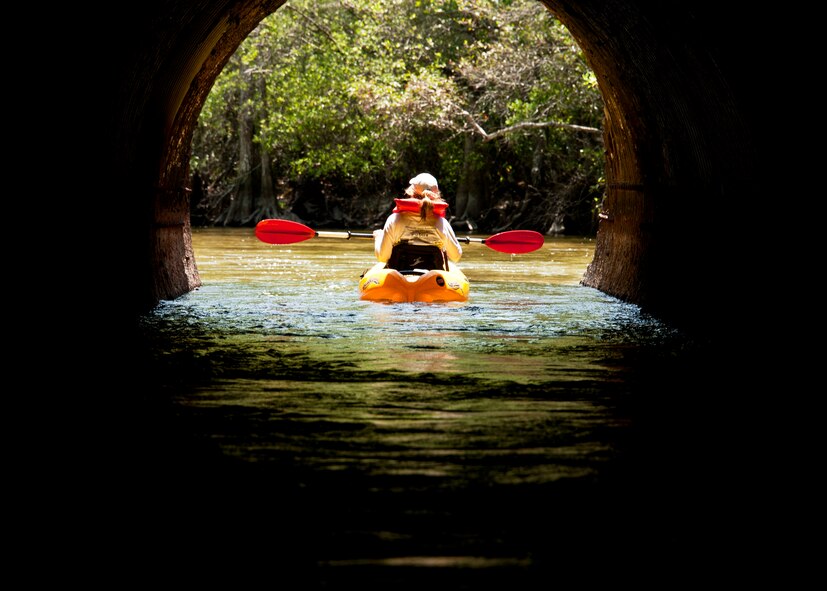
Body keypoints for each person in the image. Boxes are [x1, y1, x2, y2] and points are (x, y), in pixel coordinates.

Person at [373, 173, 463, 271]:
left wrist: (378, 238)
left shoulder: (394, 220)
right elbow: (456, 256)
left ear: (411, 193)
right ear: (437, 195)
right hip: (432, 279)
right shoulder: (442, 223)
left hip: (400, 276)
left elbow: (382, 257)